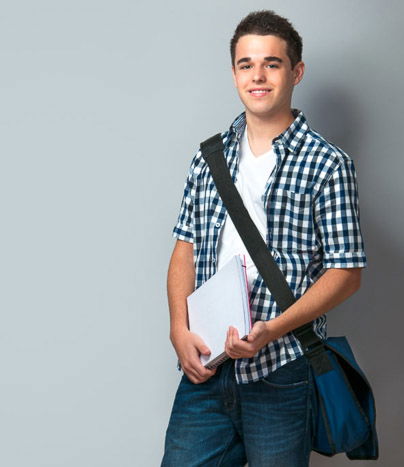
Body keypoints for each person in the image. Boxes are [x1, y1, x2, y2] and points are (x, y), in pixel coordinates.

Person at [160, 10, 367, 467]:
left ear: (296, 72)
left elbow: (347, 273)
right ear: (234, 73)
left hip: (282, 370)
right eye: (246, 64)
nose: (258, 76)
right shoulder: (209, 157)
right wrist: (179, 328)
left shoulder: (327, 164)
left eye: (272, 64)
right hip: (208, 366)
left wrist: (272, 330)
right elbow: (185, 247)